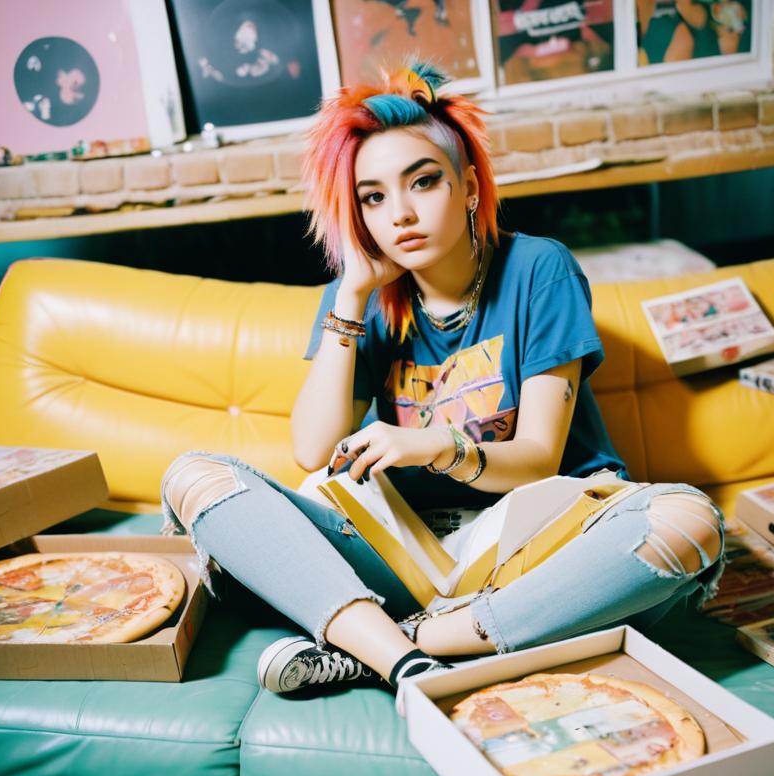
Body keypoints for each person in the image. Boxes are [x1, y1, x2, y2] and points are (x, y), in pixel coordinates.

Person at [162, 62, 724, 698]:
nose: (399, 213)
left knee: (687, 521)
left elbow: (539, 460)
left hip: (541, 548)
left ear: (469, 188)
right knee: (195, 477)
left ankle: (397, 646)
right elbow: (312, 452)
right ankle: (428, 653)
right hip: (408, 551)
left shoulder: (540, 269)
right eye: (372, 197)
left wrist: (437, 445)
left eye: (422, 182)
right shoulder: (361, 300)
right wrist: (350, 292)